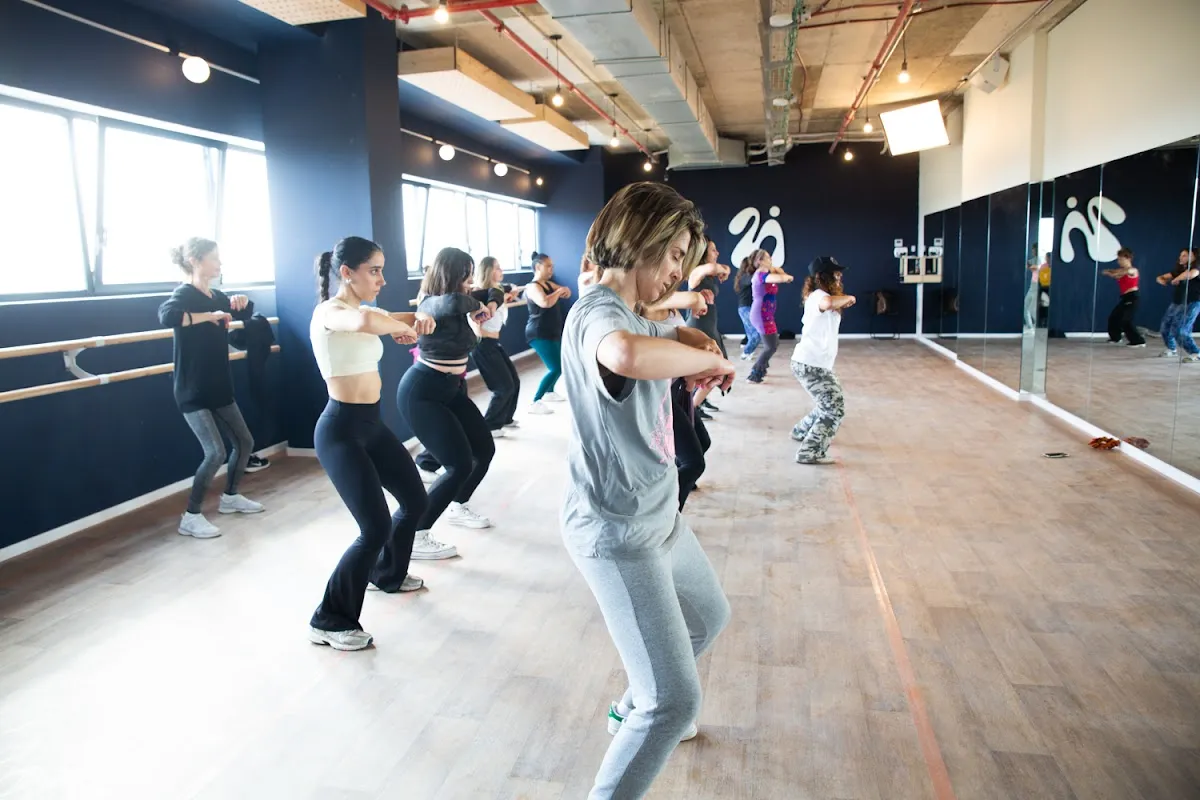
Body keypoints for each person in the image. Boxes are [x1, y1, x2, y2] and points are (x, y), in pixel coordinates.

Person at [562, 181, 734, 800]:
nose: (676, 272)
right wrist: (703, 359)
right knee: (674, 701)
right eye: (673, 254)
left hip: (660, 516)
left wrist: (697, 344)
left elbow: (663, 334)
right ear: (640, 239)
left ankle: (631, 708)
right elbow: (626, 354)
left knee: (708, 618)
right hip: (618, 531)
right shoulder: (598, 312)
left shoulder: (639, 310)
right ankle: (645, 711)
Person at [307, 236, 434, 652]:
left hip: (372, 425)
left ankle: (386, 574)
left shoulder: (367, 311)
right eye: (374, 270)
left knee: (415, 500)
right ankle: (329, 619)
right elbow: (364, 323)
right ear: (347, 272)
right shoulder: (331, 312)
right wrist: (402, 326)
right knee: (375, 527)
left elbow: (392, 316)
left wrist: (417, 318)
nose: (382, 279)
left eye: (382, 270)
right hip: (340, 431)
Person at [158, 237, 264, 539]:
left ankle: (230, 497)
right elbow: (166, 315)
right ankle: (191, 516)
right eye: (214, 258)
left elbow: (242, 312)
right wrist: (209, 317)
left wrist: (242, 301)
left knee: (244, 443)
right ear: (195, 261)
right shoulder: (183, 294)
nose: (219, 263)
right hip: (191, 389)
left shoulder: (217, 296)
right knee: (215, 452)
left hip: (218, 385)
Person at [398, 247, 497, 559]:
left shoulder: (459, 304)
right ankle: (416, 534)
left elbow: (488, 297)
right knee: (458, 464)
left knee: (484, 450)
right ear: (452, 274)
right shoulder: (430, 302)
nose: (471, 280)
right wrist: (479, 305)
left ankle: (458, 504)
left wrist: (482, 311)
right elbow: (454, 302)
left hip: (451, 388)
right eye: (466, 274)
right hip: (422, 391)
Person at [644, 291, 712, 511]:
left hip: (676, 386)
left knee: (702, 443)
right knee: (693, 463)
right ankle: (666, 516)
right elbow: (694, 300)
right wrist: (699, 299)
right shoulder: (649, 302)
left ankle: (678, 483)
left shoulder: (669, 304)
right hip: (658, 393)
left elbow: (679, 334)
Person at [790, 256, 855, 465]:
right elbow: (827, 303)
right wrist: (848, 298)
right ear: (821, 277)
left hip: (813, 363)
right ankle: (809, 452)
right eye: (835, 273)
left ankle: (801, 431)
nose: (839, 276)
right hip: (811, 365)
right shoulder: (819, 295)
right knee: (835, 408)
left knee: (826, 403)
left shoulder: (818, 295)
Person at [685, 239, 731, 418]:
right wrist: (722, 270)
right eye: (713, 250)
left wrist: (724, 270)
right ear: (702, 253)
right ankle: (691, 409)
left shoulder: (707, 275)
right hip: (699, 325)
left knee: (715, 369)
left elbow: (723, 268)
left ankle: (699, 401)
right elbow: (714, 268)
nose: (717, 253)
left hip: (709, 324)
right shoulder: (695, 272)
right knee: (718, 368)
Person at [525, 251, 570, 414]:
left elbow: (567, 293)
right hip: (538, 333)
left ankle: (550, 392)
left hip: (551, 331)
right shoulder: (532, 287)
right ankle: (535, 401)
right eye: (548, 266)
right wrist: (559, 292)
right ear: (538, 267)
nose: (552, 269)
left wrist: (563, 291)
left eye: (552, 266)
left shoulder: (548, 284)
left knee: (560, 365)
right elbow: (545, 302)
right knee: (556, 368)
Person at [746, 249, 795, 384]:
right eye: (767, 257)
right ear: (759, 261)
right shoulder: (760, 275)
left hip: (766, 315)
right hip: (761, 314)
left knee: (773, 344)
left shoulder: (767, 273)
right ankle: (755, 374)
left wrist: (776, 270)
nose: (771, 258)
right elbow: (782, 278)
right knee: (770, 346)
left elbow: (781, 274)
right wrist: (787, 277)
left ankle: (762, 368)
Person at [1156, 248, 1200, 362]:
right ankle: (1171, 349)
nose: (1181, 257)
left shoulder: (1197, 268)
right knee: (1165, 327)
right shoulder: (1179, 270)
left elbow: (1191, 274)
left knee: (1181, 330)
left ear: (1194, 257)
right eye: (1181, 255)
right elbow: (1162, 277)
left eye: (1185, 255)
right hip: (1177, 302)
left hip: (1192, 303)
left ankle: (1196, 353)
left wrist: (1177, 278)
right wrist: (1161, 279)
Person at [1101, 247, 1146, 347]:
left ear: (1128, 258)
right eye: (1118, 259)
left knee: (1125, 320)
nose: (1119, 261)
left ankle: (1139, 341)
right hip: (1125, 298)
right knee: (1114, 317)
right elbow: (1115, 274)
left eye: (1121, 259)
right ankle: (1116, 338)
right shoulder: (1121, 270)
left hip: (1132, 297)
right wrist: (1109, 272)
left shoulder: (1133, 270)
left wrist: (1110, 272)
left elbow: (1120, 273)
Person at [734, 256, 762, 360]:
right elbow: (755, 279)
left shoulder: (745, 277)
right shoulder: (745, 277)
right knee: (757, 333)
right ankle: (746, 353)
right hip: (746, 308)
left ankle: (748, 353)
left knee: (751, 334)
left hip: (747, 308)